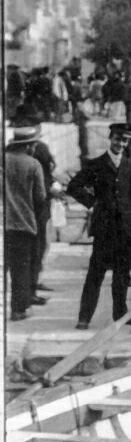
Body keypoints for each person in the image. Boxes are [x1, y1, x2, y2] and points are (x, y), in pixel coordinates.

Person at [66, 123, 131, 330]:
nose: (121, 143)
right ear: (110, 139)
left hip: (125, 228)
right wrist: (93, 202)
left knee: (121, 274)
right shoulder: (96, 164)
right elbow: (73, 186)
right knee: (96, 273)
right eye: (118, 139)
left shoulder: (130, 164)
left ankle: (120, 315)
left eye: (125, 140)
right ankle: (84, 317)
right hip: (104, 227)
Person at [4, 124, 47, 322]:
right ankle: (18, 309)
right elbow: (40, 197)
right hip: (24, 223)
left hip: (4, 224)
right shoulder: (33, 164)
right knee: (21, 268)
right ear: (29, 145)